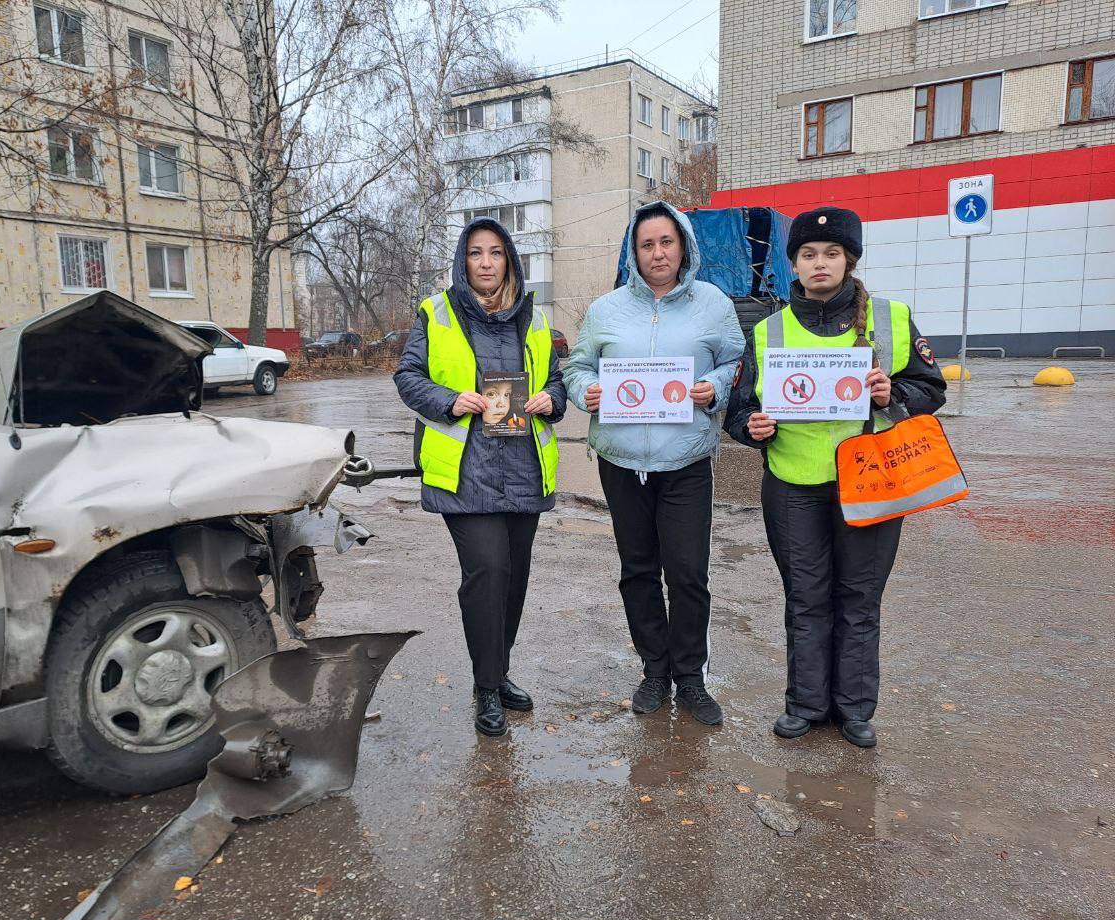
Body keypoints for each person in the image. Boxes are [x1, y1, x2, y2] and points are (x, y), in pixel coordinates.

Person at [724, 206, 946, 748]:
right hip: (793, 485)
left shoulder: (890, 318)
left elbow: (931, 389)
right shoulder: (768, 330)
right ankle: (805, 703)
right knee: (805, 596)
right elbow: (737, 409)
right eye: (807, 254)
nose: (818, 263)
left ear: (849, 259)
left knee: (859, 598)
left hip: (871, 482)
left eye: (830, 253)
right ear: (793, 264)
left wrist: (893, 395)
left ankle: (854, 709)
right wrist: (752, 426)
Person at [563, 201, 744, 724]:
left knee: (687, 573)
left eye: (667, 242)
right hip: (622, 461)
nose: (658, 253)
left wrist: (717, 387)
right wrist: (587, 391)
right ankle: (654, 671)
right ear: (634, 252)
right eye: (647, 244)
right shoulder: (606, 309)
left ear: (683, 246)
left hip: (685, 459)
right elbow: (576, 367)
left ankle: (690, 676)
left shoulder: (712, 304)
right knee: (638, 571)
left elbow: (737, 361)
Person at [394, 217, 567, 737]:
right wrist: (450, 401)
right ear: (462, 260)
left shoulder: (534, 319)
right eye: (476, 253)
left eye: (495, 253)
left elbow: (557, 381)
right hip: (466, 470)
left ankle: (499, 671)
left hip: (523, 466)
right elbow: (407, 376)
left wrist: (550, 400)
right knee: (487, 572)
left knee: (514, 577)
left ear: (508, 259)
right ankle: (486, 686)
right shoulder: (437, 312)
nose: (486, 263)